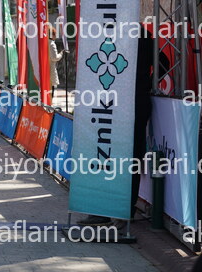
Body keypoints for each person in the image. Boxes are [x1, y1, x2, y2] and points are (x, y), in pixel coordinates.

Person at [77, 25, 153, 227]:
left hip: (131, 104)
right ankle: (104, 210)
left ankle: (123, 211)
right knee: (105, 155)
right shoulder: (109, 31)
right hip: (111, 104)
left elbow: (163, 62)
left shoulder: (137, 33)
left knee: (128, 157)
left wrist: (143, 83)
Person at [48, 27, 64, 100]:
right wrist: (61, 54)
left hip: (44, 68)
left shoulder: (44, 42)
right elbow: (54, 57)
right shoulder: (51, 44)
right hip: (50, 67)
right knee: (51, 87)